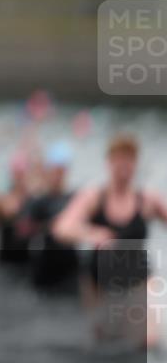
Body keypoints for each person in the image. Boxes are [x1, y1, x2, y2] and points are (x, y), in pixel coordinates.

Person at [53, 134, 167, 349]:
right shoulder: (95, 196)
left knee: (148, 340)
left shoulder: (147, 199)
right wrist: (92, 233)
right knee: (103, 341)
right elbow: (61, 227)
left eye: (129, 159)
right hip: (100, 280)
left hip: (138, 276)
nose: (124, 164)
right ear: (109, 162)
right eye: (119, 158)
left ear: (135, 163)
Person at [24, 141, 79, 293]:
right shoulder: (39, 200)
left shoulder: (74, 198)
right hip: (45, 263)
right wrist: (49, 226)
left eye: (61, 170)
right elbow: (23, 230)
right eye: (55, 170)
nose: (58, 175)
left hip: (69, 264)